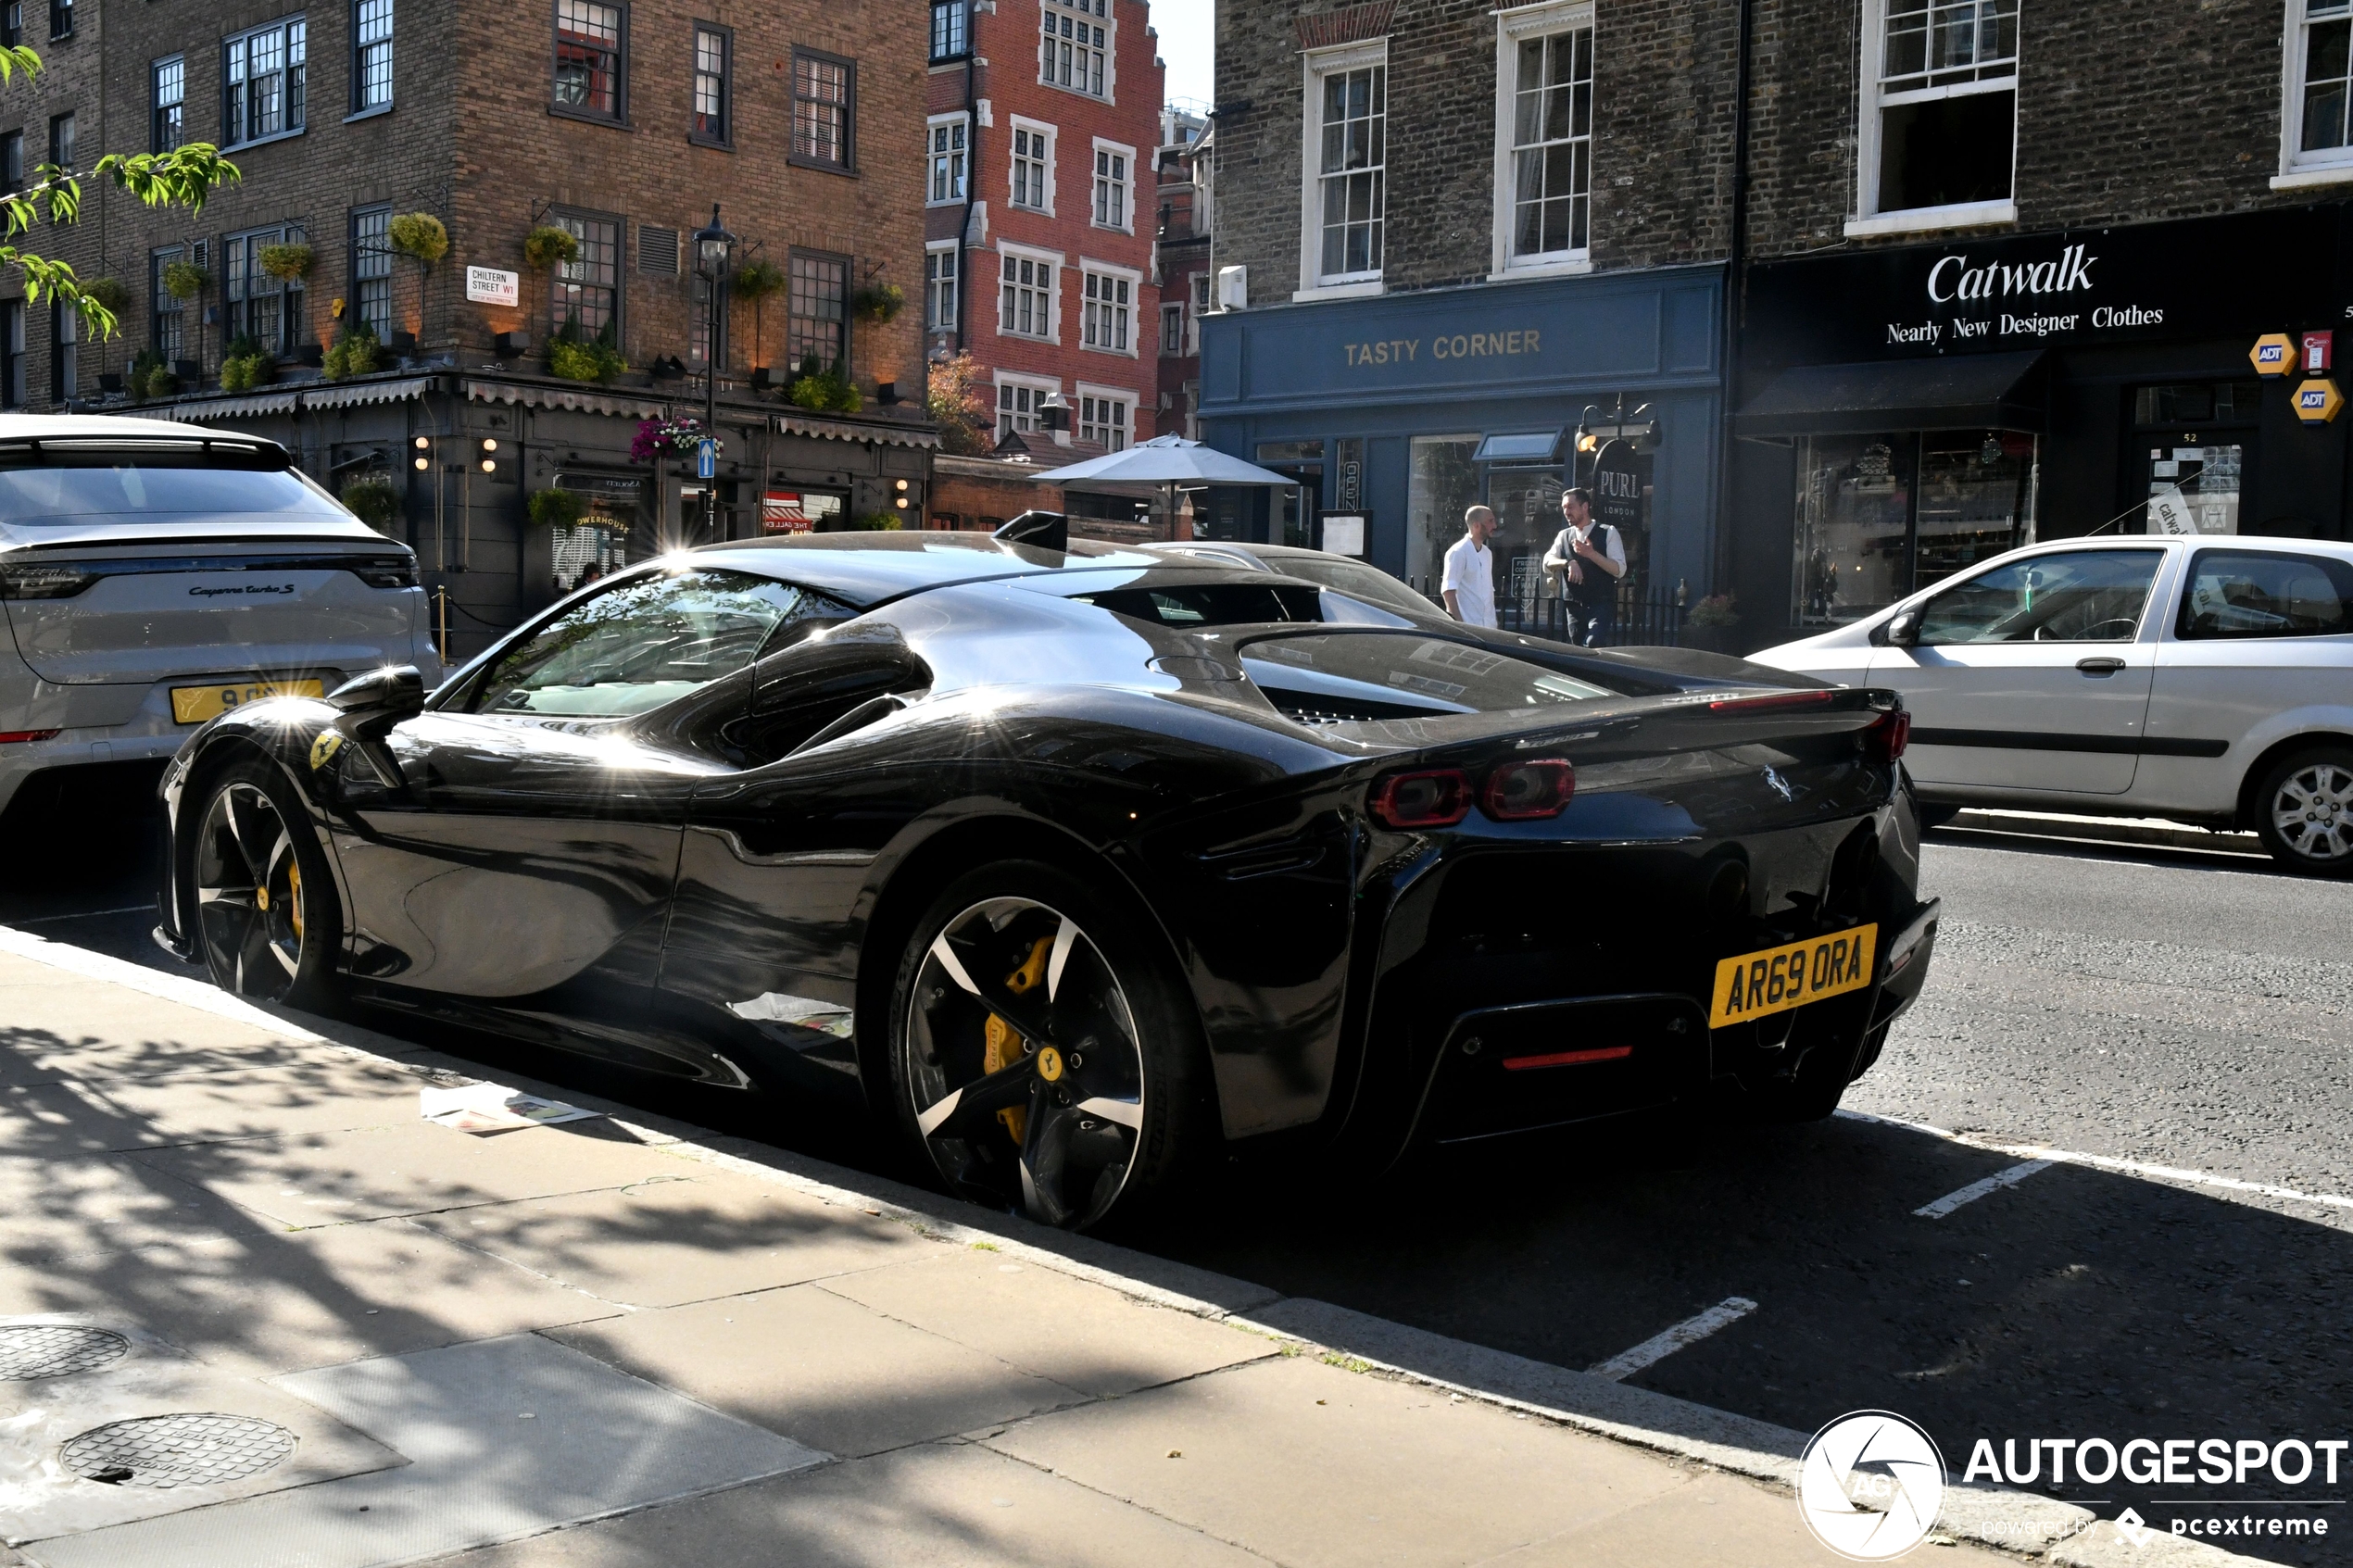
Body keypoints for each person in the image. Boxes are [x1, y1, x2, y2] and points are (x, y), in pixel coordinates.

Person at [1542, 487, 1627, 646]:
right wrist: (1568, 563)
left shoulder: (1608, 532)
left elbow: (1619, 570)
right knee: (1578, 649)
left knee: (1593, 642)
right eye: (1564, 508)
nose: (1566, 512)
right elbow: (1547, 563)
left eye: (1570, 507)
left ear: (1585, 507)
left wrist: (1591, 554)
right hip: (1574, 606)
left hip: (1600, 603)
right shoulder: (1564, 535)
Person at [1441, 506, 1498, 628]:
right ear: (1476, 525)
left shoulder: (1487, 553)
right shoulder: (1458, 552)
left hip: (1489, 628)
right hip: (1469, 628)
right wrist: (1459, 625)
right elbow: (1448, 591)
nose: (1495, 526)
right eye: (1490, 521)